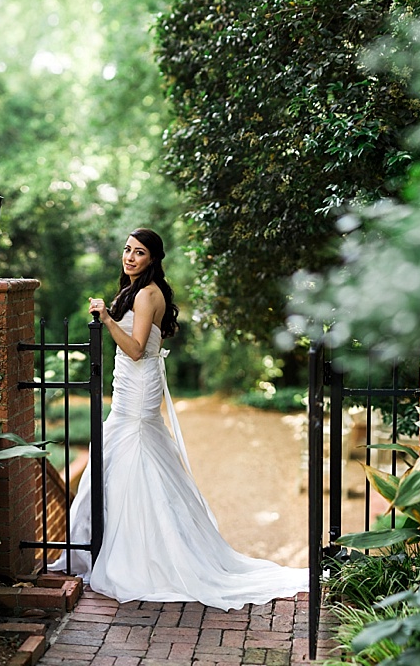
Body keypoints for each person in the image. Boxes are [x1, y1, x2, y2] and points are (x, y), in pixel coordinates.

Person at [49, 228, 308, 611]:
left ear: (153, 258)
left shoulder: (148, 294)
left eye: (139, 252)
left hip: (137, 388)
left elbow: (136, 350)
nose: (130, 257)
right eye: (127, 250)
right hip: (130, 387)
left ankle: (145, 554)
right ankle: (111, 545)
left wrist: (105, 318)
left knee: (135, 455)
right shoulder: (136, 291)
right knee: (120, 459)